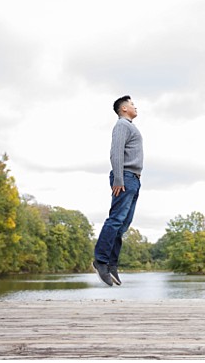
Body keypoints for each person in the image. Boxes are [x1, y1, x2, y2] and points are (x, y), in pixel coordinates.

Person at [93, 95, 143, 287]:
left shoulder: (131, 126)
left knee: (123, 224)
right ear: (123, 109)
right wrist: (119, 179)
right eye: (132, 104)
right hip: (125, 178)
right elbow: (115, 152)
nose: (135, 106)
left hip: (134, 179)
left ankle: (112, 264)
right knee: (115, 219)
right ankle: (101, 261)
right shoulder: (122, 125)